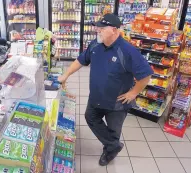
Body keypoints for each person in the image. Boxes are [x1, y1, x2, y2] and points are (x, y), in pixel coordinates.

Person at [58, 14, 153, 166]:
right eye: (97, 28)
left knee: (114, 129)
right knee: (91, 118)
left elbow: (146, 74)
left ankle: (109, 150)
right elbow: (81, 60)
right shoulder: (95, 45)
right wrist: (66, 74)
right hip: (96, 96)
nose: (98, 31)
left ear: (114, 30)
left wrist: (133, 93)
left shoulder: (127, 51)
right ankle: (114, 145)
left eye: (102, 28)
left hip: (117, 102)